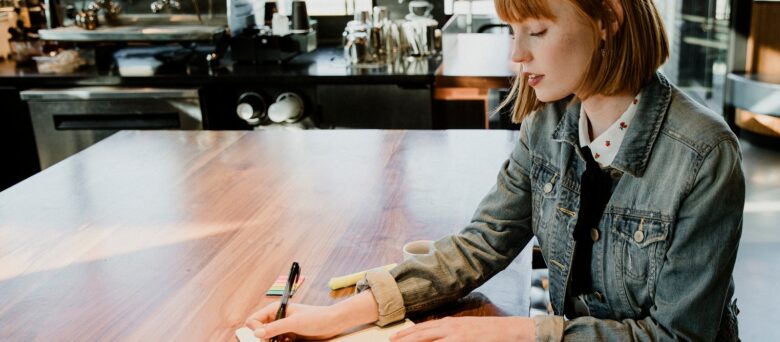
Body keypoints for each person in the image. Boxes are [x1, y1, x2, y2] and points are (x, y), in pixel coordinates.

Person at [245, 0, 745, 340]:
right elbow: (481, 243)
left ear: (608, 17)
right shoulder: (546, 123)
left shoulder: (704, 153)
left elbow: (676, 336)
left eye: (537, 30)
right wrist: (335, 317)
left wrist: (512, 332)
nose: (515, 54)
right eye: (512, 30)